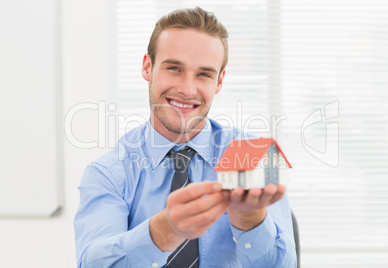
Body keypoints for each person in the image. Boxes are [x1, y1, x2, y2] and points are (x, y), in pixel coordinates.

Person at [74, 7, 297, 268]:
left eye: (204, 74)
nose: (187, 89)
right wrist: (163, 232)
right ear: (148, 67)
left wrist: (251, 221)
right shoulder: (108, 174)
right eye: (174, 68)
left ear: (219, 81)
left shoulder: (253, 155)